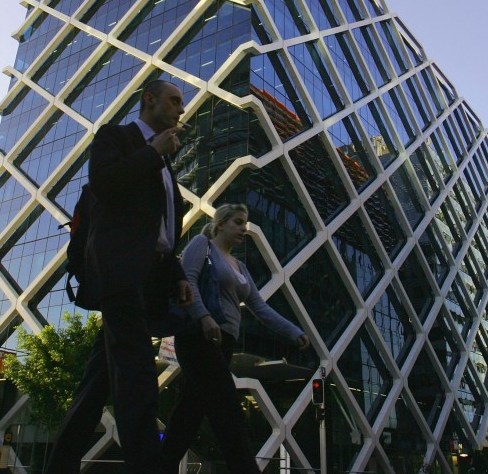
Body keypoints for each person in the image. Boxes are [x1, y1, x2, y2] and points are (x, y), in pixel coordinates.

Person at [57, 79, 192, 474]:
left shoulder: (165, 159)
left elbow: (160, 229)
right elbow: (105, 183)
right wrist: (152, 152)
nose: (180, 109)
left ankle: (60, 464)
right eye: (174, 101)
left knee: (96, 386)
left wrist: (178, 274)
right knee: (136, 375)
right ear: (149, 100)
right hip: (120, 275)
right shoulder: (116, 138)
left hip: (151, 279)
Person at [160, 204, 311, 474]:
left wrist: (294, 332)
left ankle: (160, 466)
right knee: (228, 408)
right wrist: (203, 316)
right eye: (238, 222)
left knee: (190, 412)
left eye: (245, 224)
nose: (244, 228)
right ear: (220, 224)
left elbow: (259, 307)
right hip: (198, 336)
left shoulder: (239, 265)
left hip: (224, 342)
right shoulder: (202, 244)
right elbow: (188, 281)